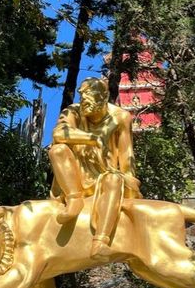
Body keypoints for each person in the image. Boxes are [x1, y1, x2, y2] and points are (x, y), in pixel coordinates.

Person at [49, 77, 141, 260]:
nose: (84, 101)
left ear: (104, 96)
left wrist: (131, 182)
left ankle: (100, 242)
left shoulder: (120, 117)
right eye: (82, 96)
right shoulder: (73, 112)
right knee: (57, 150)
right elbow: (58, 133)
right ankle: (74, 199)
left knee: (114, 179)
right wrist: (93, 138)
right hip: (74, 176)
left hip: (105, 173)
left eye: (90, 96)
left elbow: (126, 155)